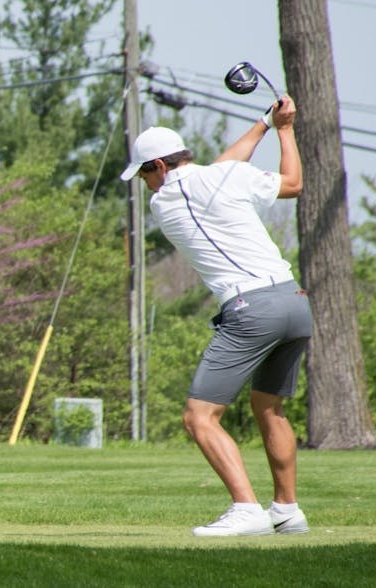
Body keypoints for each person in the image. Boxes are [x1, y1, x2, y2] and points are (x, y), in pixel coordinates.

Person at [120, 96, 312, 537]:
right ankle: (287, 510)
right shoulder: (225, 177)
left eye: (145, 173)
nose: (145, 184)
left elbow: (218, 169)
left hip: (251, 309)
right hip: (295, 301)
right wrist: (277, 126)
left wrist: (271, 126)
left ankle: (246, 509)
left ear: (160, 169)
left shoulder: (164, 202)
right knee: (270, 407)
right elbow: (292, 182)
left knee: (198, 416)